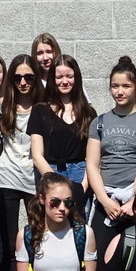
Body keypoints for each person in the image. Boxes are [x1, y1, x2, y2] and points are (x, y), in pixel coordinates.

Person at [85, 56, 136, 258]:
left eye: (126, 86)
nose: (120, 92)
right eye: (115, 86)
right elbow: (92, 166)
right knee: (101, 260)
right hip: (107, 201)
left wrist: (135, 202)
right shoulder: (99, 122)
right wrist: (103, 200)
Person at [0, 54, 50, 271]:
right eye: (17, 77)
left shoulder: (45, 107)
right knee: (7, 238)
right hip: (7, 178)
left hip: (35, 180)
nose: (23, 82)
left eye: (28, 77)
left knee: (37, 236)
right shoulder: (3, 105)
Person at [31, 54, 95, 187]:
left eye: (69, 76)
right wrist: (55, 183)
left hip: (80, 174)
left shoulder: (88, 113)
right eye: (59, 77)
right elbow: (37, 156)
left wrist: (83, 187)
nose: (64, 81)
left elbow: (92, 158)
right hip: (50, 174)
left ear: (76, 78)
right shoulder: (40, 111)